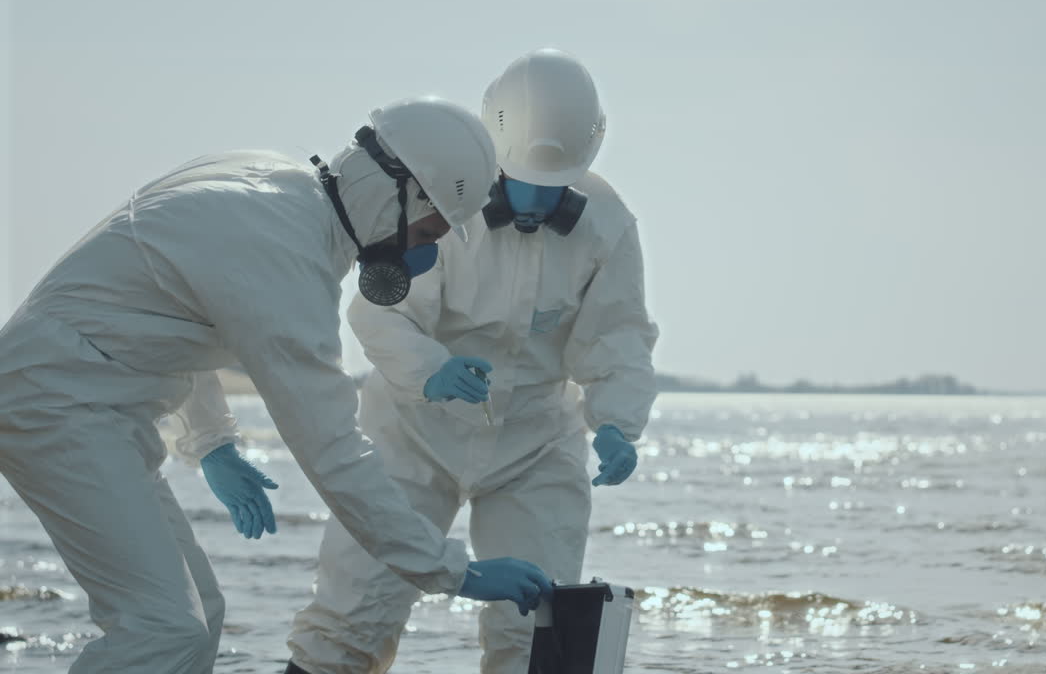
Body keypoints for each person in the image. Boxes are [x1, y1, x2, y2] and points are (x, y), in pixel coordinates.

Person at [0, 95, 555, 674]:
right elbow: (334, 452)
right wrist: (451, 571)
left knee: (201, 616)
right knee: (163, 629)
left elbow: (172, 313)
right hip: (57, 405)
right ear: (399, 191)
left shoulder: (271, 186)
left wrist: (211, 441)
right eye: (429, 229)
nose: (423, 250)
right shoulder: (287, 261)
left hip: (91, 402)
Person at [286, 49, 659, 674]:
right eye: (527, 180)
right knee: (354, 617)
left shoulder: (610, 224)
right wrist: (429, 367)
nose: (540, 197)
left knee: (535, 630)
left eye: (555, 182)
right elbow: (379, 309)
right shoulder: (439, 199)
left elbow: (618, 336)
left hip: (535, 445)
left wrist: (619, 422)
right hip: (410, 434)